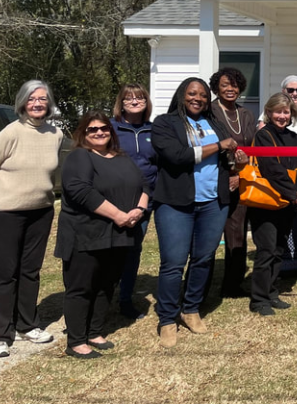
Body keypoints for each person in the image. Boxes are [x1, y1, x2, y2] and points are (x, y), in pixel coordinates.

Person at [151, 77, 246, 348]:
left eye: (203, 95)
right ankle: (167, 318)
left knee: (203, 258)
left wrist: (236, 160)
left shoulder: (212, 123)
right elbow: (178, 156)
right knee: (173, 262)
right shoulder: (164, 123)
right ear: (182, 95)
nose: (198, 98)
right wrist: (220, 146)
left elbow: (225, 158)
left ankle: (190, 309)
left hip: (213, 202)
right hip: (175, 203)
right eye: (192, 93)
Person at [56, 111, 149, 359]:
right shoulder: (80, 156)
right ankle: (76, 341)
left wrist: (139, 209)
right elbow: (80, 191)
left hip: (119, 233)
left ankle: (95, 332)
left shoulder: (121, 157)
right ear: (83, 133)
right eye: (92, 129)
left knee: (106, 284)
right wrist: (118, 215)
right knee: (81, 287)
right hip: (86, 233)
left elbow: (144, 185)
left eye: (104, 128)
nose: (99, 132)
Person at [0, 80, 65, 358]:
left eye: (42, 99)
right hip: (5, 213)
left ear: (49, 103)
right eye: (32, 99)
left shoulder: (55, 134)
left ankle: (27, 324)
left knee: (30, 271)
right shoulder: (11, 132)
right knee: (3, 274)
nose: (37, 103)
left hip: (41, 211)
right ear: (22, 103)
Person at [248, 93, 297, 316]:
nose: (282, 116)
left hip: (287, 202)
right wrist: (294, 193)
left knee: (278, 250)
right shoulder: (264, 135)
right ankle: (258, 300)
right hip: (266, 203)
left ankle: (272, 293)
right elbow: (271, 170)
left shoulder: (293, 138)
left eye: (286, 112)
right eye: (278, 111)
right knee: (266, 251)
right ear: (269, 112)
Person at [209, 67, 257, 298]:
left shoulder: (246, 114)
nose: (230, 89)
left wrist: (239, 172)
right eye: (225, 85)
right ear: (217, 87)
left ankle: (232, 284)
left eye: (235, 85)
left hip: (241, 178)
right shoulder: (208, 112)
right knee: (208, 234)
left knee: (237, 232)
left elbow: (252, 147)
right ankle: (200, 285)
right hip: (214, 178)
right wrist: (228, 173)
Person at [111, 83, 155, 320]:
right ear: (121, 102)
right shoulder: (110, 128)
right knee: (110, 251)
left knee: (132, 250)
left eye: (140, 98)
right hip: (115, 200)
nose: (135, 102)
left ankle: (125, 299)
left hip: (146, 201)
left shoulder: (153, 130)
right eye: (129, 98)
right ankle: (103, 296)